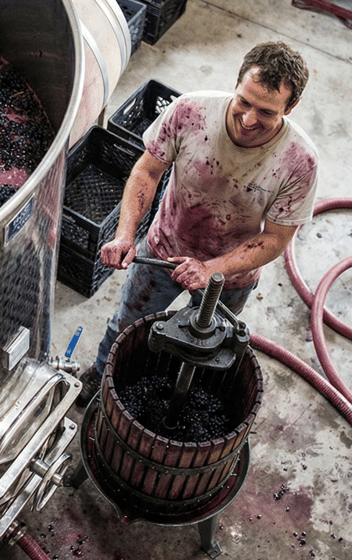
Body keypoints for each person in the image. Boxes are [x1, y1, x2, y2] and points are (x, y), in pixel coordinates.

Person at [77, 40, 318, 405]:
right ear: (235, 84)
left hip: (229, 277)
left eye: (267, 112)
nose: (250, 120)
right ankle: (101, 375)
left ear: (291, 107)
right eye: (244, 102)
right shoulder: (190, 112)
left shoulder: (300, 162)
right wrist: (125, 233)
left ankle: (160, 391)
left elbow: (275, 238)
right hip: (163, 250)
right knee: (126, 325)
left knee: (197, 346)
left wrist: (212, 269)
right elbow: (147, 171)